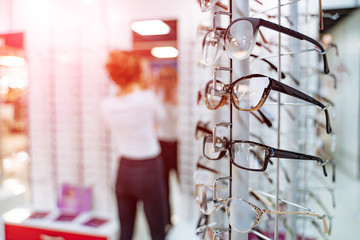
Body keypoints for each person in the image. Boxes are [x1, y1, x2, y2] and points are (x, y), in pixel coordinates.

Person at [101, 50, 168, 240]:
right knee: (157, 229)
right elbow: (161, 118)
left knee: (126, 230)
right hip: (149, 168)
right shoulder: (147, 98)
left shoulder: (107, 105)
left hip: (124, 170)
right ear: (137, 73)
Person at [154, 66, 179, 229]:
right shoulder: (156, 96)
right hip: (161, 144)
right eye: (163, 76)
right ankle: (166, 221)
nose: (166, 80)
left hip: (178, 145)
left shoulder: (181, 95)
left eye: (169, 77)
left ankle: (189, 218)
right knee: (163, 186)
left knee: (184, 183)